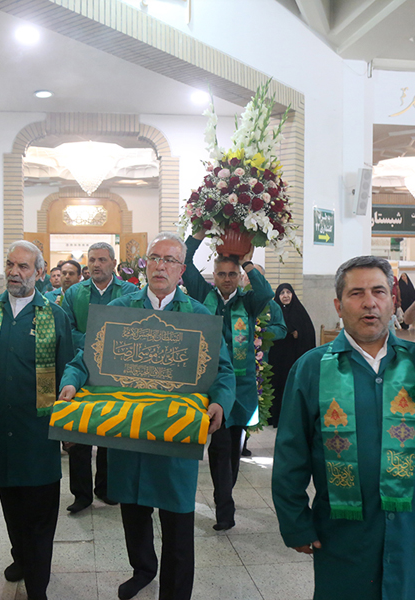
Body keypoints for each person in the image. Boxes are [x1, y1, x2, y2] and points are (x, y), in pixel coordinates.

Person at [272, 255, 415, 600]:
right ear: (338, 305)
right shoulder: (311, 368)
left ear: (393, 301)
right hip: (341, 534)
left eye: (379, 292)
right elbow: (291, 452)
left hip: (409, 531)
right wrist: (295, 521)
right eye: (356, 293)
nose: (370, 303)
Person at [59, 232, 236, 600]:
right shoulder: (120, 309)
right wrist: (71, 383)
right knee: (134, 511)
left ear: (182, 270)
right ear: (145, 265)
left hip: (174, 437)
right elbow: (83, 359)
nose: (160, 266)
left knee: (177, 522)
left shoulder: (198, 315)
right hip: (128, 433)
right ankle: (143, 569)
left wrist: (220, 401)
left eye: (170, 260)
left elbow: (222, 370)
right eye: (155, 258)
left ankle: (175, 592)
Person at [0, 241, 73, 600]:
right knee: (11, 505)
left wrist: (67, 428)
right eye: (10, 265)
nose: (14, 272)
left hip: (38, 433)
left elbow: (66, 372)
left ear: (40, 273)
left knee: (41, 514)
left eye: (24, 267)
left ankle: (37, 583)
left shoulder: (55, 316)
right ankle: (21, 556)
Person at [181, 231, 277, 531]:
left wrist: (247, 263)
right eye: (221, 274)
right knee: (220, 447)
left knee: (233, 447)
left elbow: (266, 293)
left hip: (240, 387)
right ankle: (225, 507)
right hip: (208, 385)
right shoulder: (202, 294)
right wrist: (197, 236)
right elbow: (186, 261)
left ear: (239, 277)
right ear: (214, 275)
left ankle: (225, 494)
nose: (226, 279)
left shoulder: (248, 303)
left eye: (232, 274)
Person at [60, 242, 138, 513]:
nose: (96, 265)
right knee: (79, 431)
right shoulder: (74, 293)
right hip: (81, 368)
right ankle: (81, 495)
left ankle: (106, 488)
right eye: (92, 260)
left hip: (116, 372)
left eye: (102, 260)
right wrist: (98, 342)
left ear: (113, 264)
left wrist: (109, 344)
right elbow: (67, 328)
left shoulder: (130, 292)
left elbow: (134, 330)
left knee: (110, 429)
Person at [266, 284, 315, 426]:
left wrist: (298, 332)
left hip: (294, 357)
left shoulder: (299, 312)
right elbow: (267, 331)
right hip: (277, 358)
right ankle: (274, 417)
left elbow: (308, 333)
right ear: (277, 296)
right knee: (276, 385)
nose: (285, 295)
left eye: (288, 292)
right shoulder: (274, 312)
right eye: (282, 293)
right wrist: (289, 331)